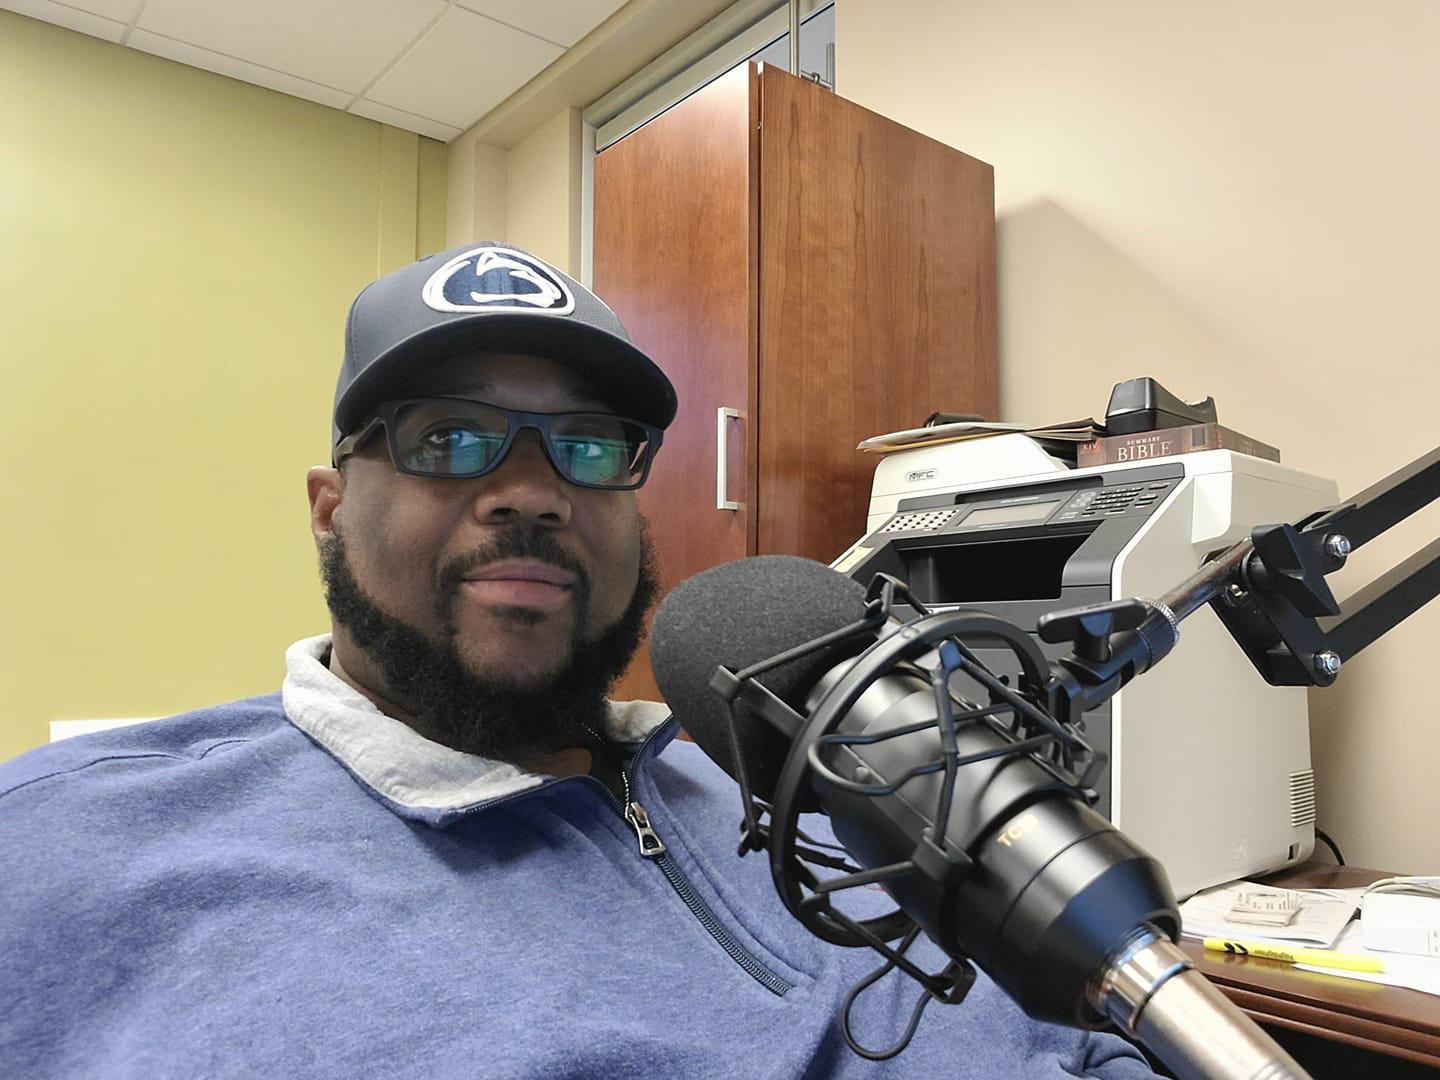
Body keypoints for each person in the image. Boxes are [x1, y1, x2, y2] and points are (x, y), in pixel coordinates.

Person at [0, 243, 1157, 1078]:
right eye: (448, 437)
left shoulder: (792, 777)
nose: (534, 492)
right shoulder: (64, 844)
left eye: (590, 446)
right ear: (327, 506)